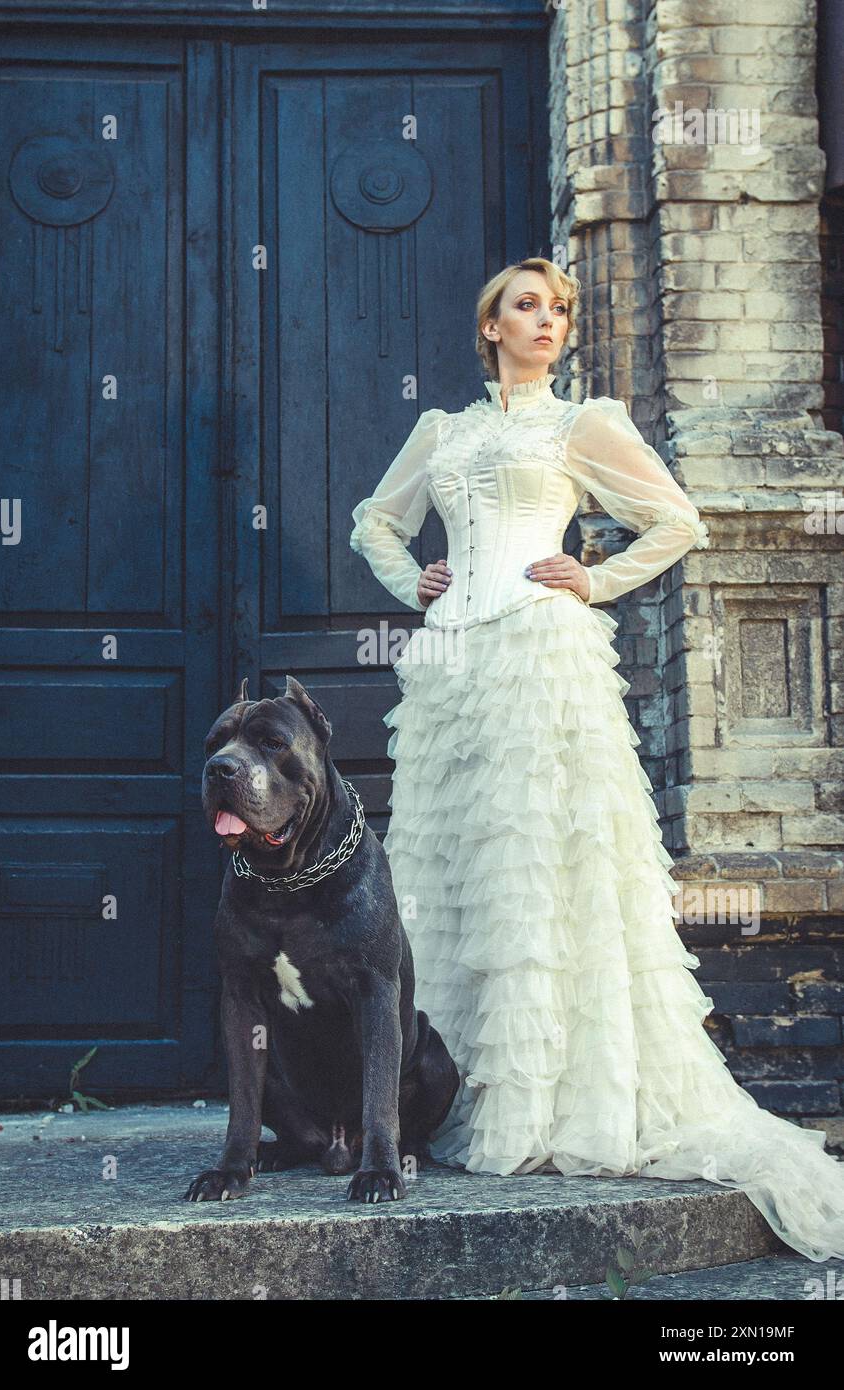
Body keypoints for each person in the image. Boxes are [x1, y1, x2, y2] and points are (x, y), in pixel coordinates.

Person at [349, 256, 844, 1261]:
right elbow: (373, 520)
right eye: (525, 307)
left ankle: (546, 1102)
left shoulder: (583, 423)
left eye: (559, 310)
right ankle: (437, 1092)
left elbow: (678, 520)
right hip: (452, 665)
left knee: (544, 862)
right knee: (458, 871)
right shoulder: (441, 431)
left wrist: (594, 575)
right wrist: (417, 583)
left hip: (542, 649)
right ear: (489, 325)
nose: (546, 323)